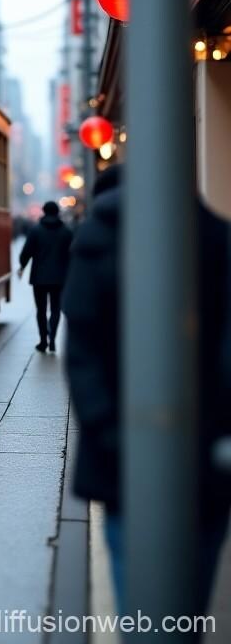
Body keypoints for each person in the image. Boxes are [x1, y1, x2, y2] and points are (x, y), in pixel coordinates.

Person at [62, 165, 231, 616]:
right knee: (189, 607)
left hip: (121, 464)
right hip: (208, 462)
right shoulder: (217, 236)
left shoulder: (98, 237)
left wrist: (114, 435)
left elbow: (81, 350)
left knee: (137, 607)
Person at [17, 200, 73, 353]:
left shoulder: (36, 230)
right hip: (59, 279)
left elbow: (26, 252)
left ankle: (43, 340)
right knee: (56, 309)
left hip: (39, 278)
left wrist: (22, 265)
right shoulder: (66, 232)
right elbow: (72, 254)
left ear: (44, 211)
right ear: (57, 212)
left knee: (40, 310)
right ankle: (53, 337)